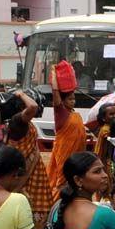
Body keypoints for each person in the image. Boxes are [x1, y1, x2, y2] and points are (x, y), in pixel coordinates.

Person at [6, 90, 54, 227]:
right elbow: (33, 107)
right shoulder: (17, 121)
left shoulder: (23, 122)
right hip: (25, 176)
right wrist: (20, 93)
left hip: (34, 172)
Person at [47, 64, 88, 202]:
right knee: (62, 183)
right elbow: (55, 94)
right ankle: (56, 207)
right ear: (63, 101)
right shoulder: (61, 112)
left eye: (74, 99)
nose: (73, 101)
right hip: (64, 156)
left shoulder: (74, 114)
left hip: (77, 157)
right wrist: (53, 73)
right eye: (70, 99)